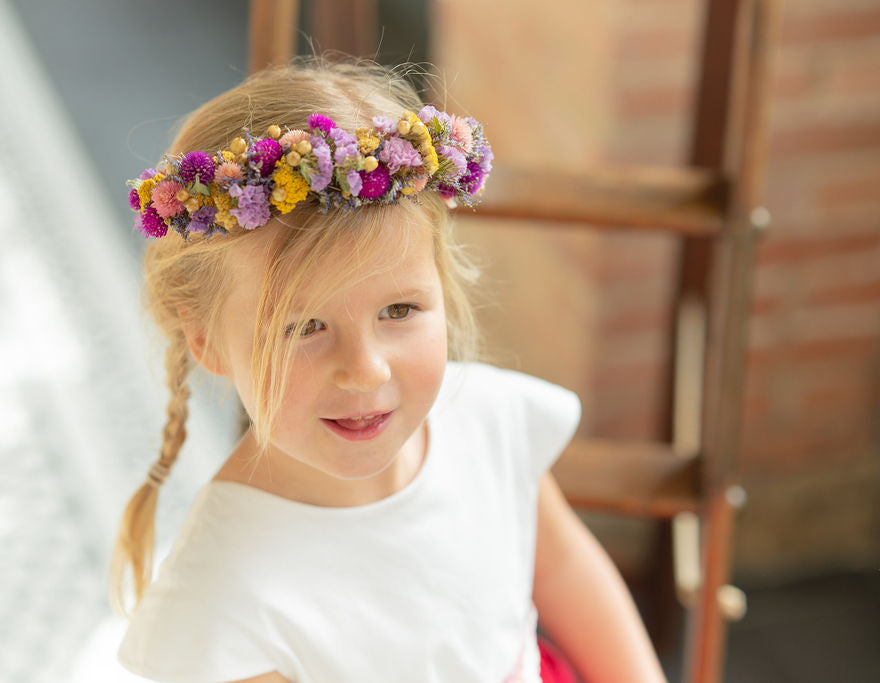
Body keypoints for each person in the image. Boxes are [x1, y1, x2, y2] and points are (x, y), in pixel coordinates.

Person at [110, 57, 666, 683]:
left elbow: (565, 571)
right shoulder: (225, 596)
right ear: (206, 339)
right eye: (304, 328)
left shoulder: (486, 423)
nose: (366, 371)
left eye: (399, 309)